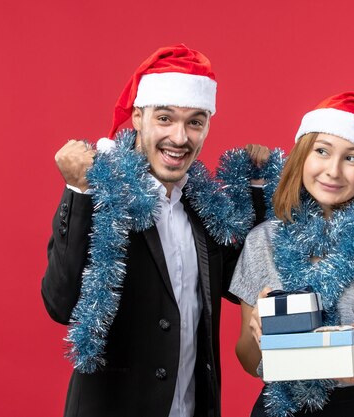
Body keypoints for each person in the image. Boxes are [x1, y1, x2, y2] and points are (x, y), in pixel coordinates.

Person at [41, 44, 276, 417]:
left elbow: (240, 279)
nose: (180, 138)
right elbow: (61, 303)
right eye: (165, 119)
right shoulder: (102, 192)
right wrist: (78, 192)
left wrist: (260, 189)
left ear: (207, 126)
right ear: (138, 117)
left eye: (194, 122)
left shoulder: (203, 209)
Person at [230, 92, 354, 417]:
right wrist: (257, 334)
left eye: (352, 158)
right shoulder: (262, 240)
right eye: (322, 151)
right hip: (279, 406)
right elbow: (249, 359)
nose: (333, 171)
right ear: (303, 156)